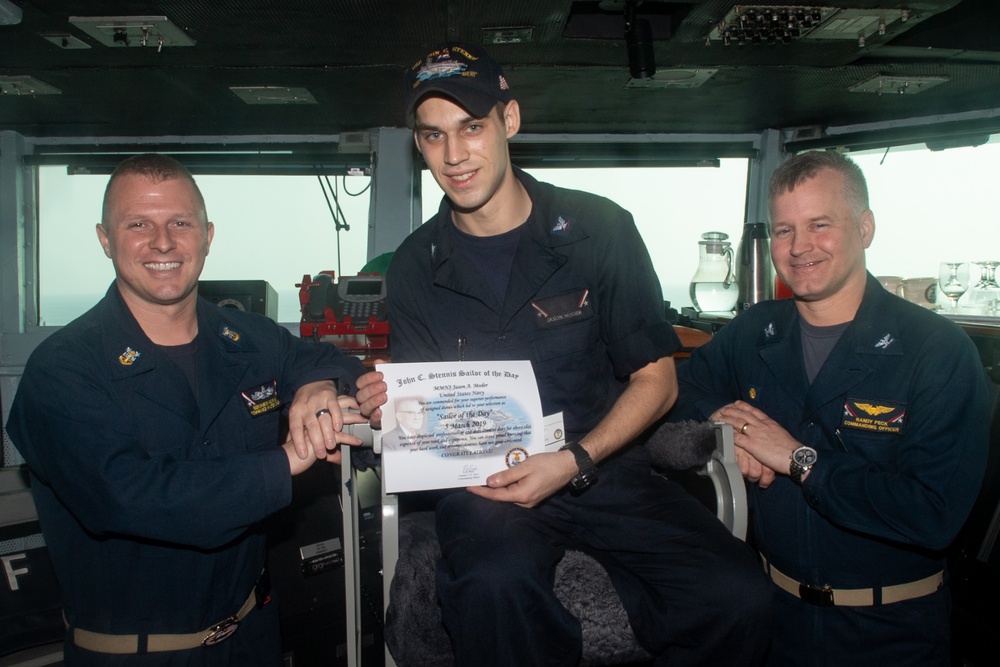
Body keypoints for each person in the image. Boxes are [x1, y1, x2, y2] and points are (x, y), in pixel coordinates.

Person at [380, 42, 772, 666]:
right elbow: (422, 416)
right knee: (492, 587)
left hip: (604, 468)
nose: (454, 156)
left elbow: (658, 381)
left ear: (509, 121)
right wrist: (393, 405)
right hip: (486, 485)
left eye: (471, 128)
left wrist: (573, 461)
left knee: (738, 595)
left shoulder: (600, 229)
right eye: (433, 137)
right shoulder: (412, 268)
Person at [6, 153, 386, 666]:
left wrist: (315, 385)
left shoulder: (248, 338)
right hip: (134, 655)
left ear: (207, 236)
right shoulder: (62, 371)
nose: (162, 243)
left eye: (179, 223)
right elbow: (127, 497)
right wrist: (288, 460)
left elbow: (327, 359)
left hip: (252, 638)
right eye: (138, 224)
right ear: (104, 239)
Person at [672, 150, 992, 665]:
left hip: (889, 632)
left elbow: (933, 515)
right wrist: (722, 423)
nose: (799, 248)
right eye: (783, 230)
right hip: (774, 618)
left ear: (864, 228)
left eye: (820, 225)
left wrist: (800, 460)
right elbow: (674, 390)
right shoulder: (755, 332)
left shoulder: (938, 351)